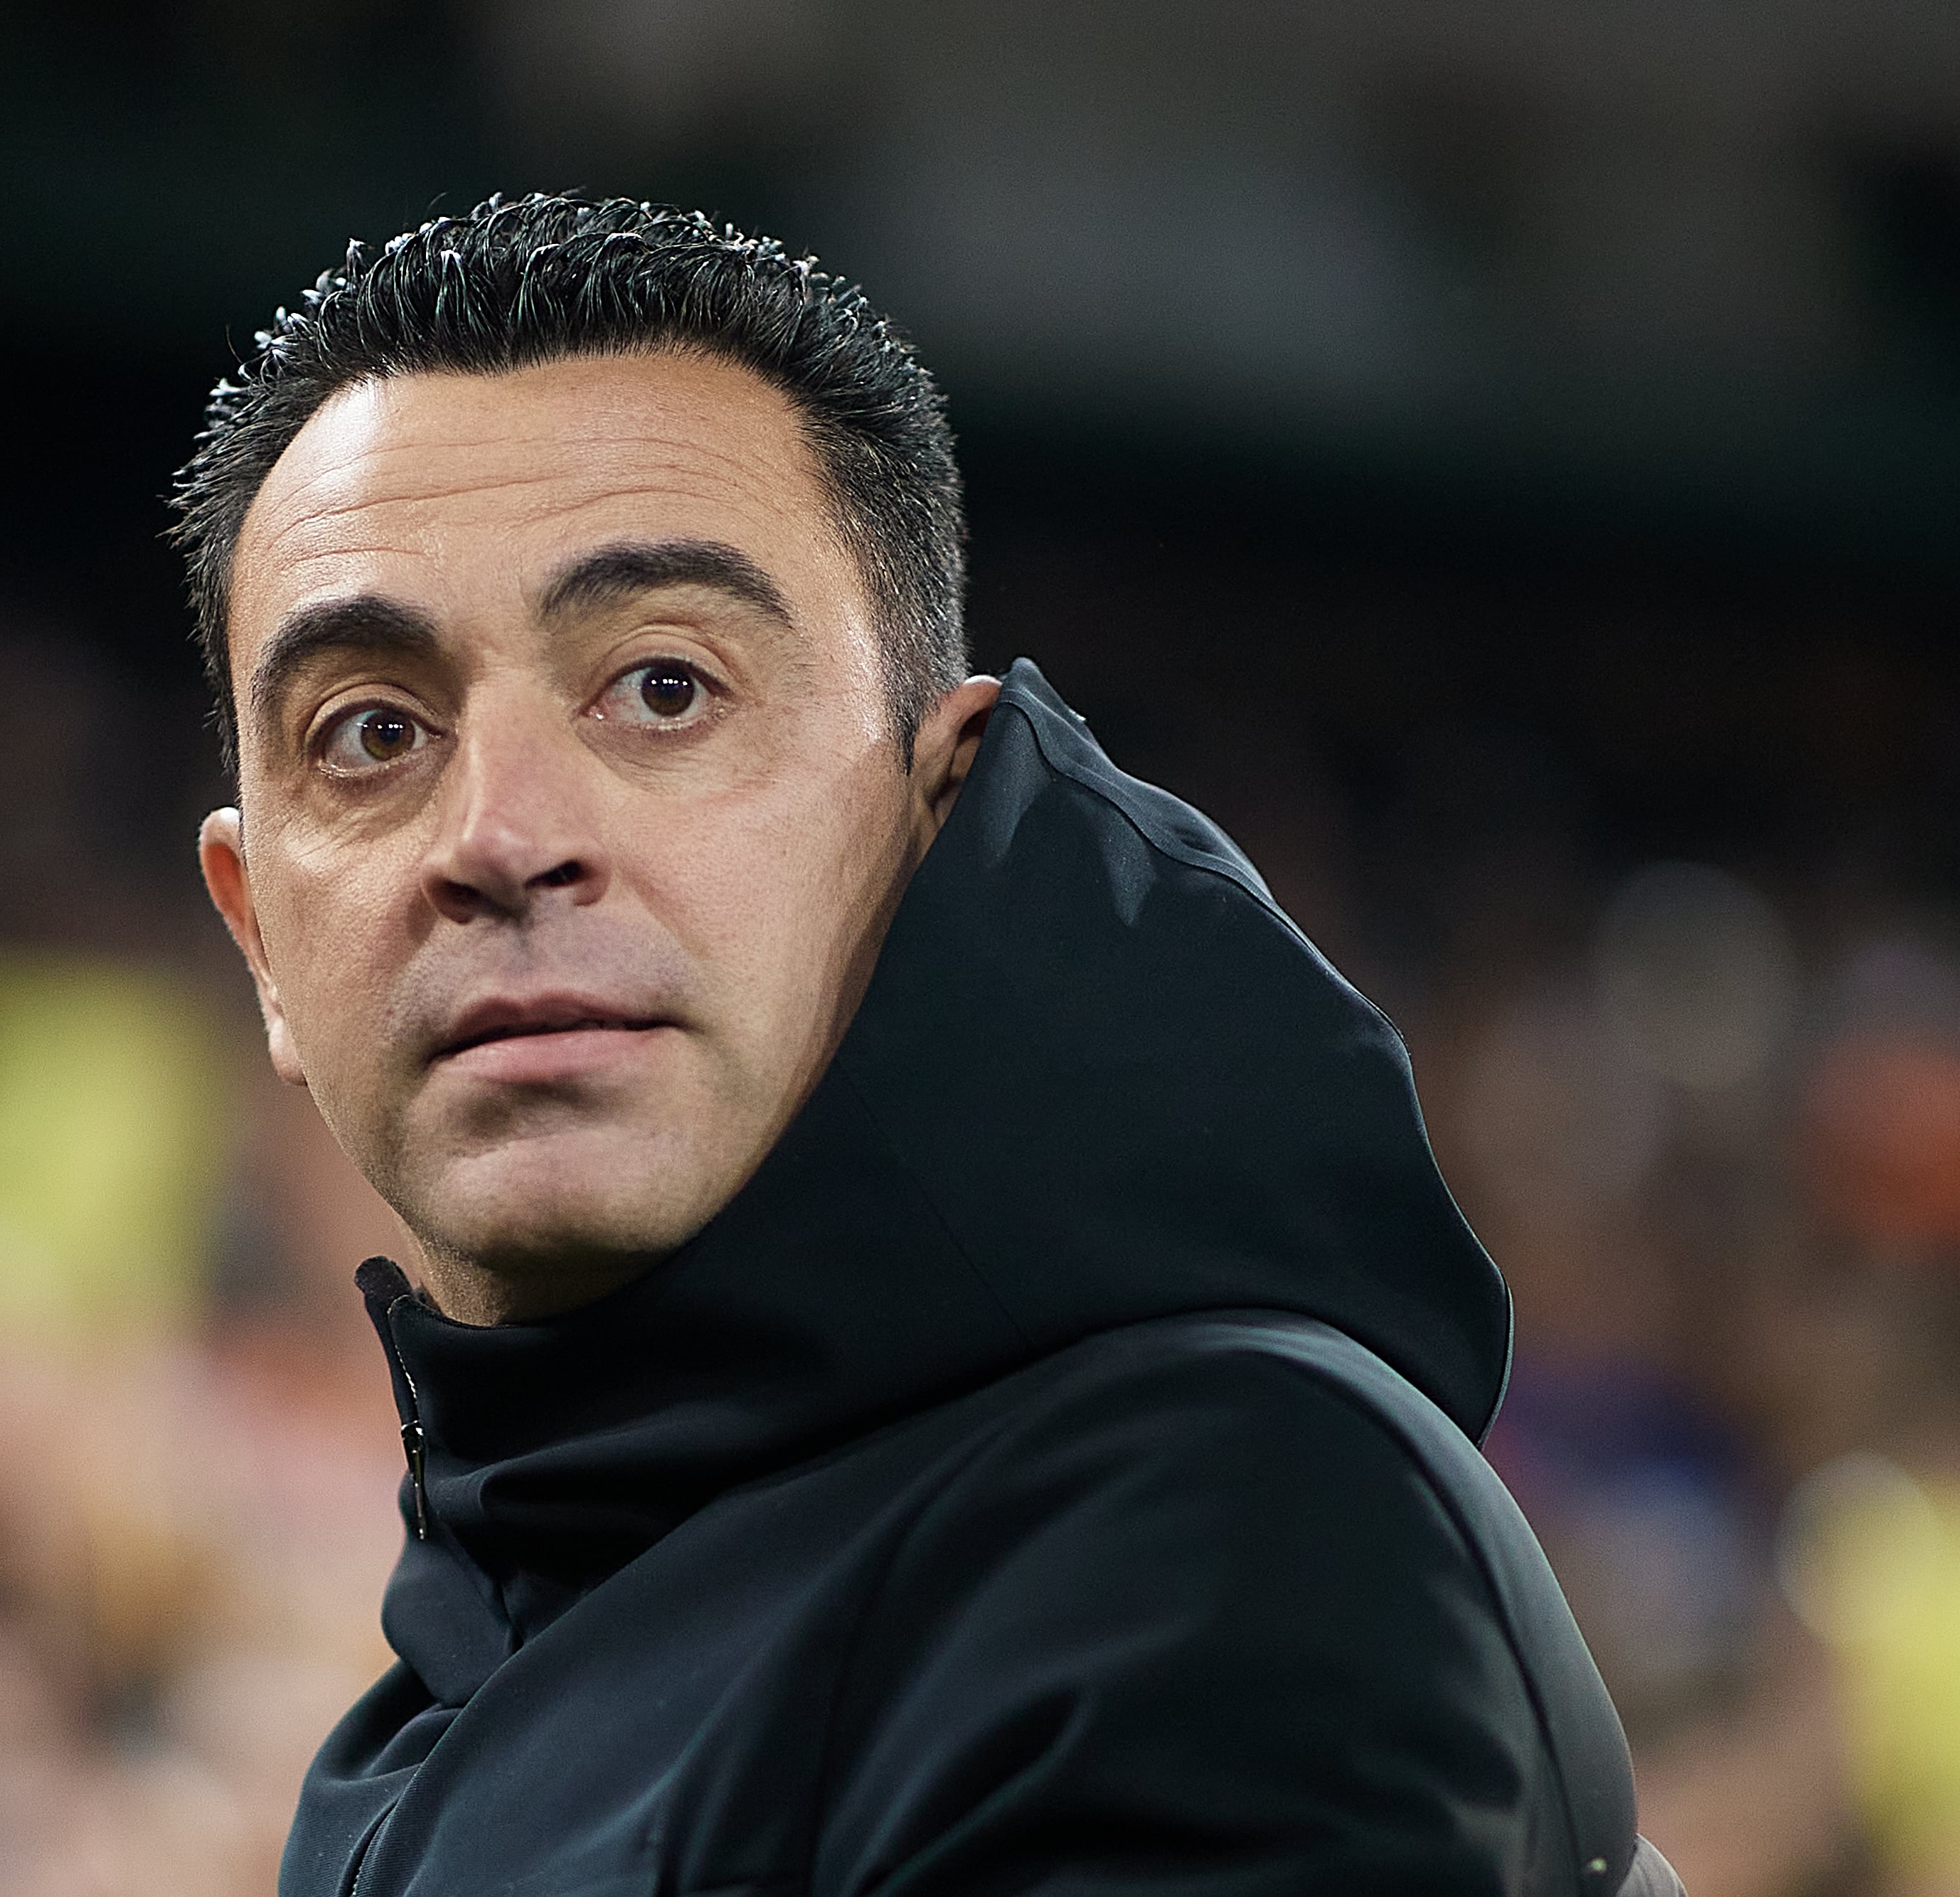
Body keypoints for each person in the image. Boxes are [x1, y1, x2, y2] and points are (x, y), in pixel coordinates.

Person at [175, 193, 1681, 1897]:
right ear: (260, 945)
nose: (501, 835)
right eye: (369, 731)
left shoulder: (1208, 1530)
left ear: (935, 801)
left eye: (662, 687)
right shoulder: (423, 1719)